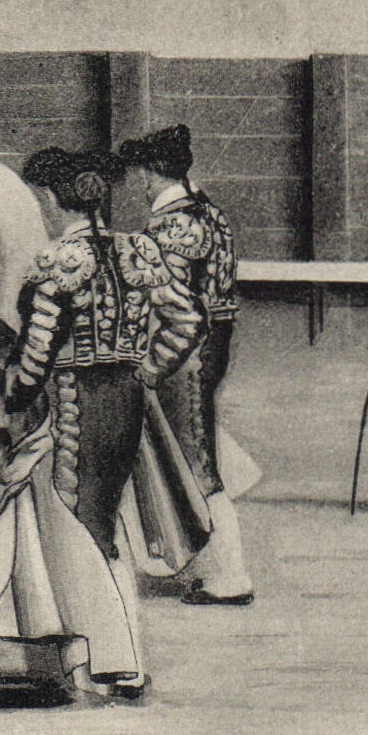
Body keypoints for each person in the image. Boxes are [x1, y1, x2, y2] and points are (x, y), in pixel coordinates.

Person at [0, 148, 201, 700]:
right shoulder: (140, 249)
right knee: (106, 525)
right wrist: (147, 370)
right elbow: (186, 321)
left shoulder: (58, 261)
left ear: (50, 198)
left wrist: (5, 394)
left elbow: (35, 359)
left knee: (76, 526)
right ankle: (123, 658)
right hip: (127, 400)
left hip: (73, 406)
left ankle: (103, 661)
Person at [120, 123, 254, 605]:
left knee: (196, 463)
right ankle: (204, 563)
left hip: (186, 352)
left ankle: (230, 576)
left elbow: (180, 312)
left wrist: (153, 364)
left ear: (152, 174)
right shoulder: (209, 211)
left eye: (141, 172)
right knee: (196, 453)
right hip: (211, 342)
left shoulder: (171, 224)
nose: (139, 182)